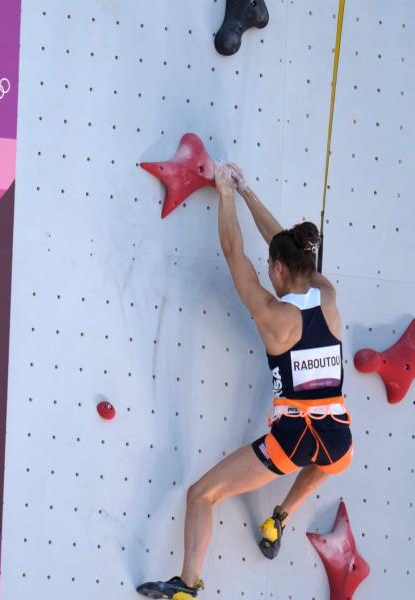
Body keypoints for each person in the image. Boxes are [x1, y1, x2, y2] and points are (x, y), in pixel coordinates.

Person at [137, 163, 353, 599]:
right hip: (339, 438)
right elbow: (288, 249)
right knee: (326, 463)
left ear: (275, 270)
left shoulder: (274, 317)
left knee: (201, 495)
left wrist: (226, 194)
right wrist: (249, 190)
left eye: (270, 265)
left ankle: (187, 585)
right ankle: (279, 519)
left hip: (292, 439)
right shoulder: (327, 294)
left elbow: (235, 255)